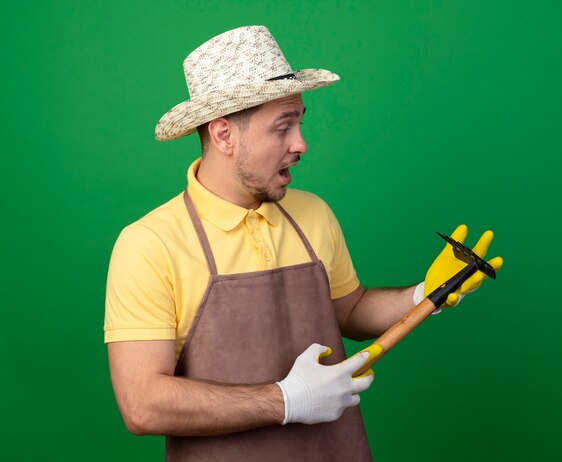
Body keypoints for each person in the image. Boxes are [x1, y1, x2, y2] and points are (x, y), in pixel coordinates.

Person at [104, 26, 503, 461]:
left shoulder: (313, 213)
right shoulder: (149, 244)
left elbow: (349, 311)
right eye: (282, 127)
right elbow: (142, 404)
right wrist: (286, 401)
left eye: (299, 122)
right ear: (223, 135)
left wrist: (424, 294)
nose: (301, 144)